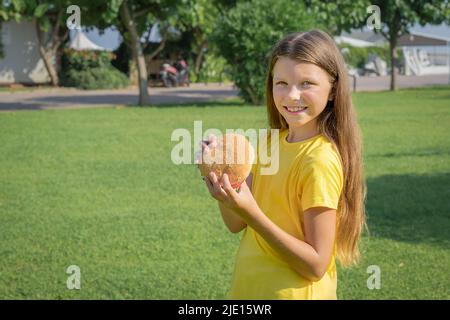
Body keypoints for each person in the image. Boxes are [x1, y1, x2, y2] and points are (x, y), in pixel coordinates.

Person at [199, 30, 366, 299]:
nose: (291, 95)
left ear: (333, 90)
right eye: (282, 83)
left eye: (306, 84)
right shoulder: (268, 142)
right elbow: (235, 223)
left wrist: (252, 213)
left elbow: (315, 265)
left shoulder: (319, 160)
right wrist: (221, 177)